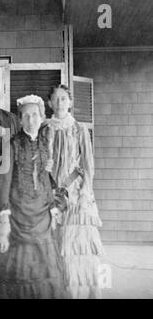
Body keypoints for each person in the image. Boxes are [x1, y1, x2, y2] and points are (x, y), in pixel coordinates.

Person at [0, 94, 67, 299]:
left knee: (47, 269)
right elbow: (4, 181)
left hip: (42, 214)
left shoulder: (45, 143)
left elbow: (45, 178)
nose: (31, 120)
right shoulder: (11, 145)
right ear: (20, 120)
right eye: (26, 116)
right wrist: (3, 215)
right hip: (19, 215)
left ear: (42, 117)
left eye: (35, 115)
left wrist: (53, 206)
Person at [46, 85, 104, 299]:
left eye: (64, 99)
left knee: (78, 247)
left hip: (76, 192)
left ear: (70, 102)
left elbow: (88, 165)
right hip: (51, 191)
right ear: (50, 103)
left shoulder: (79, 129)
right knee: (55, 243)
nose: (60, 103)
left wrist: (85, 194)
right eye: (56, 99)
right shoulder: (45, 127)